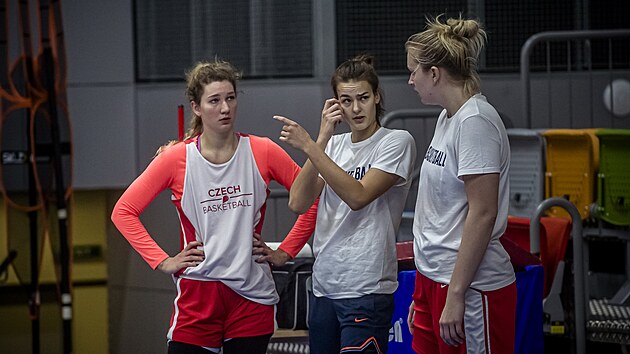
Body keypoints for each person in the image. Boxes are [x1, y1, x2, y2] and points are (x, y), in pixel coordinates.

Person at [110, 59, 316, 354]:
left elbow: (312, 198)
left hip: (251, 297)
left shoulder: (263, 151)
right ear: (196, 107)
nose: (225, 108)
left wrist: (286, 251)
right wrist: (162, 260)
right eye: (215, 100)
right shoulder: (175, 158)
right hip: (198, 296)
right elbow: (123, 211)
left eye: (230, 98)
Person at [255, 55, 417, 354]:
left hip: (367, 287)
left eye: (363, 98)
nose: (355, 108)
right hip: (324, 286)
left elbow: (357, 196)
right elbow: (298, 202)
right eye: (346, 100)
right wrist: (322, 137)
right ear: (336, 105)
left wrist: (308, 146)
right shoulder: (333, 145)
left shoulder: (396, 142)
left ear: (377, 96)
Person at [404, 15, 516, 354]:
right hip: (434, 278)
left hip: (470, 286)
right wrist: (423, 289)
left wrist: (455, 293)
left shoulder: (475, 122)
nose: (410, 80)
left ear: (434, 73)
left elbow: (482, 213)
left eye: (413, 71)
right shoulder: (447, 117)